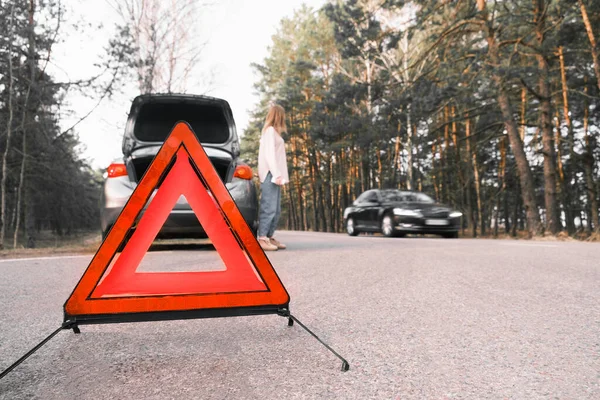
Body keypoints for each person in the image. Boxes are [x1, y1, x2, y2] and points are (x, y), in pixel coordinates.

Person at [257, 103, 289, 251]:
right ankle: (262, 238)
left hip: (276, 174)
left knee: (275, 209)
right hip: (270, 173)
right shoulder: (269, 131)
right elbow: (269, 155)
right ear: (278, 116)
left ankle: (269, 236)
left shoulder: (274, 133)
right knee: (268, 207)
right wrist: (276, 174)